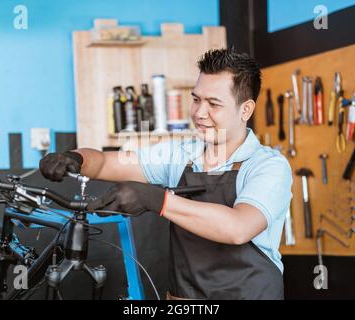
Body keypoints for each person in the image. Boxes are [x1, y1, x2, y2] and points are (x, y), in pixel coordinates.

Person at [39, 48, 292, 300]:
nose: (199, 113)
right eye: (196, 99)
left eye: (214, 104)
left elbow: (238, 227)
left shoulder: (268, 166)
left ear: (246, 110)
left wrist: (156, 199)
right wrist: (76, 158)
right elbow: (105, 163)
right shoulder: (180, 155)